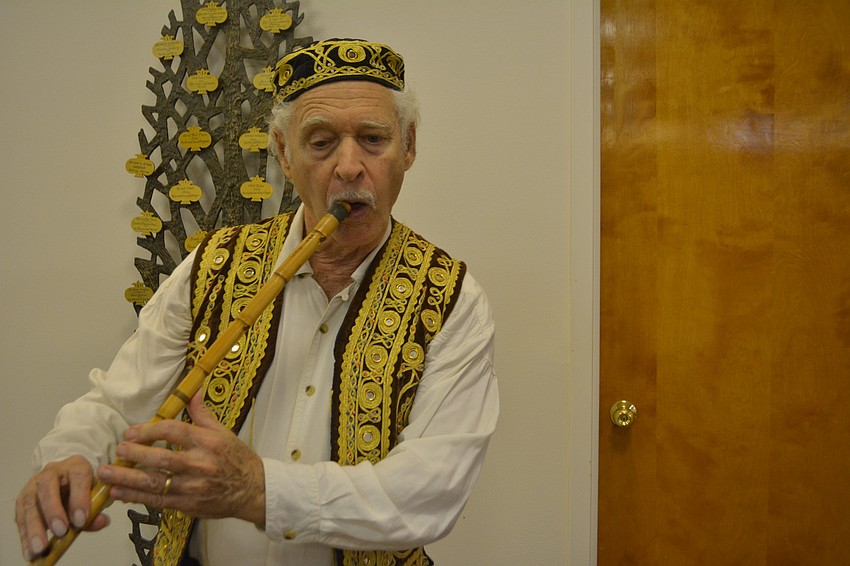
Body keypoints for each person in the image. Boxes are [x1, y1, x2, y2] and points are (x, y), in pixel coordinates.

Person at [15, 38, 498, 566]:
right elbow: (116, 406)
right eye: (320, 142)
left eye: (373, 139)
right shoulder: (214, 264)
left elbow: (429, 492)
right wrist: (70, 456)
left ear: (408, 146)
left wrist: (259, 490)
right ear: (283, 153)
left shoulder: (453, 299)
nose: (349, 167)